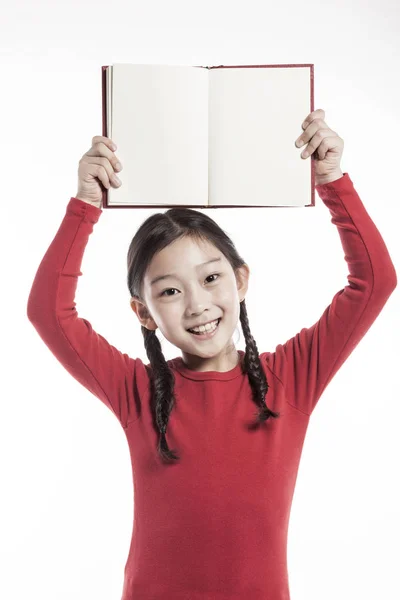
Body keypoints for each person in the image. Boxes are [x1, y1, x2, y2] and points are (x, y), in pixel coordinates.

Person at [26, 108, 397, 600]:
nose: (198, 305)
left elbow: (374, 282)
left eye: (210, 278)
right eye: (170, 292)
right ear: (144, 312)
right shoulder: (137, 392)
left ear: (240, 280)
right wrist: (85, 206)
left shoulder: (290, 378)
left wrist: (332, 181)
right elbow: (49, 313)